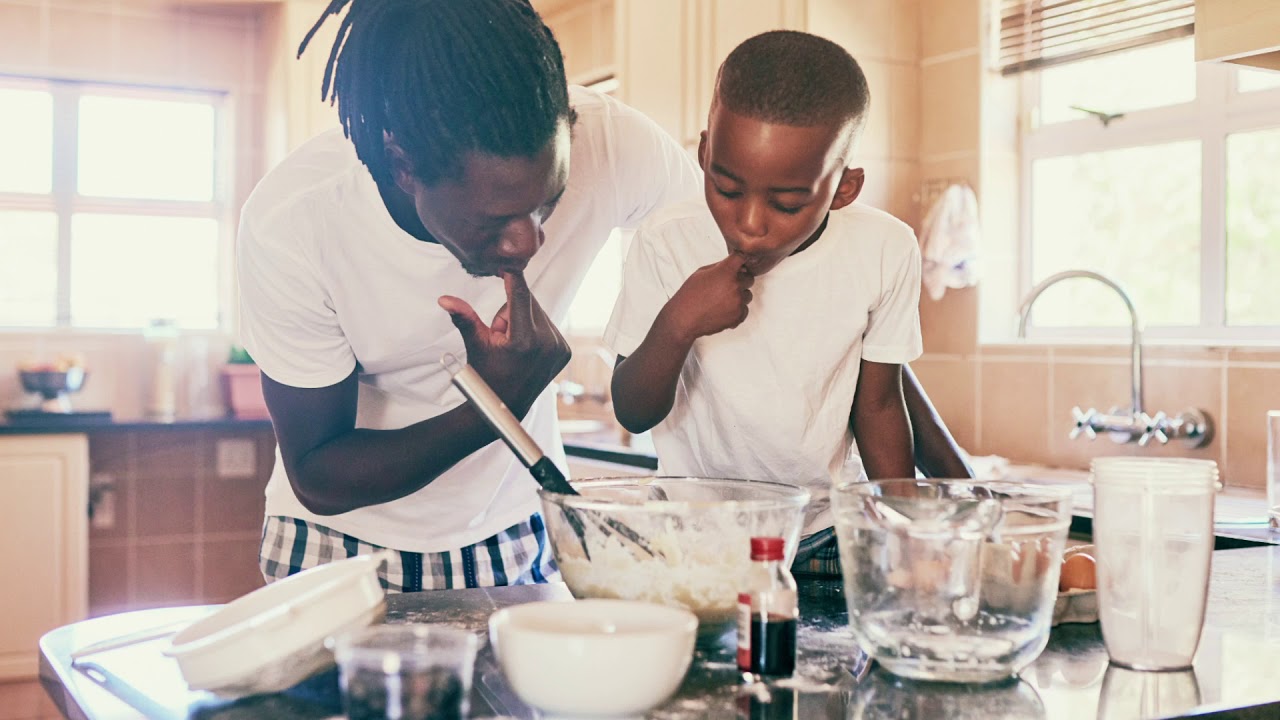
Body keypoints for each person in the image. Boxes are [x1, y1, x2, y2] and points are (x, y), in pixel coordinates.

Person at [236, 0, 702, 591]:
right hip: (335, 548)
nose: (528, 240)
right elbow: (318, 474)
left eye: (548, 202)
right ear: (403, 164)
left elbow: (708, 247)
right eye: (494, 221)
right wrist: (497, 401)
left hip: (516, 529)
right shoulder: (295, 222)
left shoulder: (614, 144)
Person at [604, 30, 971, 576]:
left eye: (787, 203)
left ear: (844, 189)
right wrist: (679, 322)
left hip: (823, 532)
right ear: (705, 154)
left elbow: (878, 406)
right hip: (697, 538)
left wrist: (907, 531)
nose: (749, 226)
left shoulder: (886, 249)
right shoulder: (667, 240)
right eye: (726, 189)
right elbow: (632, 410)